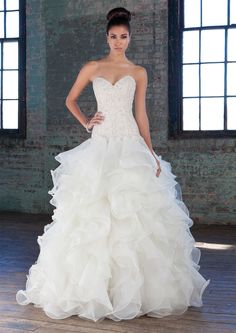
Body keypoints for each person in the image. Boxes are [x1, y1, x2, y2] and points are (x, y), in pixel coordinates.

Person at [16, 7, 210, 322]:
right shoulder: (93, 67)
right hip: (102, 144)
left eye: (123, 37)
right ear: (106, 37)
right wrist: (87, 122)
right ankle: (93, 290)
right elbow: (70, 100)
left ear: (129, 38)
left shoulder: (139, 72)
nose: (118, 42)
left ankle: (131, 291)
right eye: (113, 37)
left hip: (130, 143)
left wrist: (150, 152)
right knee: (93, 215)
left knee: (134, 218)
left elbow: (141, 115)